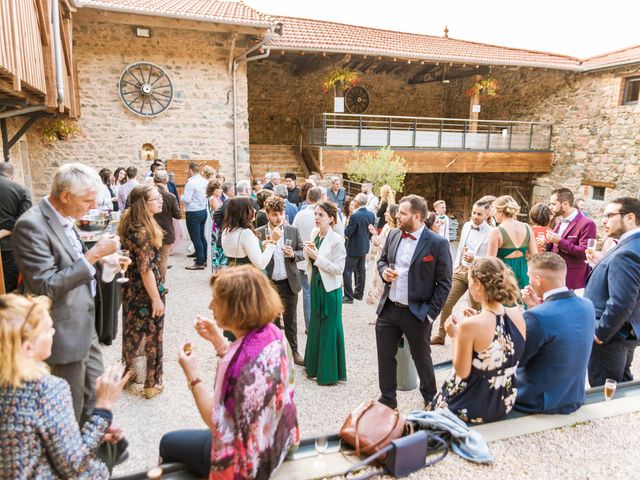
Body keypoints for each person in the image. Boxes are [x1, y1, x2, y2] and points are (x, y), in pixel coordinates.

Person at [159, 266, 299, 478]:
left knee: (167, 442)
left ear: (235, 308)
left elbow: (217, 422)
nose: (210, 306)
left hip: (249, 463)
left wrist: (193, 376)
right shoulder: (275, 334)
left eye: (216, 300)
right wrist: (219, 341)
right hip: (279, 440)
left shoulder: (235, 365)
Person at [12, 163, 119, 422]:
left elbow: (72, 261)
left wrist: (102, 262)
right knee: (68, 409)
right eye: (87, 200)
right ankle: (70, 458)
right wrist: (93, 256)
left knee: (95, 398)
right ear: (65, 196)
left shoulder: (66, 218)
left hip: (85, 325)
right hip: (61, 332)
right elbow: (45, 286)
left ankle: (94, 456)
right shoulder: (31, 225)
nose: (92, 207)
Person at [0, 294, 129, 479]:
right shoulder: (46, 390)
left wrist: (97, 431)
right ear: (28, 348)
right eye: (47, 329)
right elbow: (74, 465)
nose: (53, 332)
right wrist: (103, 409)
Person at [376, 195, 452, 408]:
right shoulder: (392, 234)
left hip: (417, 312)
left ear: (417, 216)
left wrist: (430, 314)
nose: (397, 216)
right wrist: (384, 272)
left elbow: (444, 283)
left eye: (402, 213)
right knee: (385, 357)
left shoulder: (437, 243)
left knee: (422, 358)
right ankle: (388, 399)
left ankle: (430, 396)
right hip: (389, 308)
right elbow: (381, 260)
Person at [429, 257, 525, 423]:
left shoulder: (471, 326)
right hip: (503, 401)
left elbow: (462, 372)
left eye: (470, 281)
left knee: (431, 409)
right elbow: (503, 348)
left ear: (478, 284)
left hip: (473, 405)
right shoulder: (518, 314)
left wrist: (455, 336)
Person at [516, 253, 595, 414]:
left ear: (538, 279)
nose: (529, 281)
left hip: (537, 401)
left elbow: (519, 359)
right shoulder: (587, 305)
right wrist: (535, 306)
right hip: (574, 397)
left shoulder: (536, 316)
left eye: (530, 276)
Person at [585, 197, 640, 386]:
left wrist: (600, 333)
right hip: (627, 331)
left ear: (630, 218)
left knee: (604, 391)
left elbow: (622, 301)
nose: (603, 220)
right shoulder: (633, 245)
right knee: (621, 384)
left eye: (610, 215)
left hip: (611, 338)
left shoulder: (626, 252)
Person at [119, 185, 166, 399]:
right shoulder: (143, 231)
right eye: (155, 198)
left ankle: (128, 374)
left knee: (132, 332)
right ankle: (151, 383)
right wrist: (156, 298)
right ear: (143, 204)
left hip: (131, 287)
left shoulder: (130, 222)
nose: (160, 201)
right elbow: (146, 269)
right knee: (152, 334)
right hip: (145, 290)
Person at [432, 201, 492, 345]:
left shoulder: (491, 232)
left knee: (473, 308)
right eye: (474, 213)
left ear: (487, 214)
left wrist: (475, 259)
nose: (475, 216)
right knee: (446, 302)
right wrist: (456, 266)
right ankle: (441, 335)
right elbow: (460, 247)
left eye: (479, 214)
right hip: (461, 270)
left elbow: (491, 258)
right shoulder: (466, 226)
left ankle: (472, 340)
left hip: (477, 274)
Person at [257, 196, 305, 365]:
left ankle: (294, 351)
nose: (279, 218)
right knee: (272, 321)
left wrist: (293, 254)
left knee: (291, 320)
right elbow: (257, 260)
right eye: (275, 214)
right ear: (268, 214)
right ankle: (276, 354)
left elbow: (302, 252)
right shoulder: (260, 232)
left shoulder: (292, 230)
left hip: (288, 281)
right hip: (270, 284)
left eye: (281, 213)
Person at [303, 201, 347, 385]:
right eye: (316, 214)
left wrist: (317, 257)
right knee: (316, 325)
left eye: (321, 214)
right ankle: (312, 367)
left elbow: (339, 269)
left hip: (330, 290)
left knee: (330, 328)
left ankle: (329, 374)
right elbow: (311, 260)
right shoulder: (314, 234)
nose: (317, 217)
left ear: (331, 218)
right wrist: (308, 252)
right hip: (315, 284)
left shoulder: (337, 240)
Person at [541, 188, 597, 289]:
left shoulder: (587, 223)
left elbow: (585, 252)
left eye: (553, 204)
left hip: (572, 278)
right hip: (555, 274)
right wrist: (547, 244)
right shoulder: (559, 221)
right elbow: (555, 246)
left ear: (565, 204)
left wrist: (559, 241)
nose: (550, 207)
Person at [486, 195, 537, 289]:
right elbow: (535, 256)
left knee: (505, 302)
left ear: (500, 212)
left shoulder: (496, 232)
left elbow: (490, 263)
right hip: (524, 273)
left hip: (504, 276)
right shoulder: (527, 228)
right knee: (523, 301)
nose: (493, 214)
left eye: (494, 211)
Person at [292, 187, 324, 329]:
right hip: (320, 257)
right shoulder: (324, 213)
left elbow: (293, 234)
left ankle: (310, 325)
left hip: (304, 258)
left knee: (307, 291)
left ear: (308, 198)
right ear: (321, 198)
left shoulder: (300, 215)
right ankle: (319, 323)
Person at [0, 162, 32, 292]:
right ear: (12, 177)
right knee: (9, 288)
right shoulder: (22, 190)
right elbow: (26, 219)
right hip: (9, 246)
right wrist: (4, 232)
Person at [221, 196, 278, 269]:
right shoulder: (246, 233)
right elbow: (261, 264)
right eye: (251, 207)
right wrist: (273, 242)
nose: (254, 210)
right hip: (246, 275)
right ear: (244, 212)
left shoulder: (226, 230)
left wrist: (260, 246)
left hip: (231, 273)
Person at [343, 193, 376, 304]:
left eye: (355, 200)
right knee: (361, 270)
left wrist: (347, 225)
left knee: (347, 271)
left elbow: (348, 232)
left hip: (353, 248)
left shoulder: (355, 216)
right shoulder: (371, 214)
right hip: (364, 246)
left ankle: (348, 296)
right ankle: (359, 294)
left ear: (357, 202)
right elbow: (371, 231)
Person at [366, 204, 399, 306]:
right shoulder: (385, 226)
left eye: (387, 211)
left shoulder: (395, 230)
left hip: (386, 263)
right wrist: (375, 234)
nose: (385, 213)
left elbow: (390, 250)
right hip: (378, 260)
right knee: (376, 286)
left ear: (393, 214)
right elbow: (380, 240)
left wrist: (378, 244)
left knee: (382, 289)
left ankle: (380, 317)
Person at [154, 171, 182, 283]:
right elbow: (178, 215)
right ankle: (161, 282)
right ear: (166, 181)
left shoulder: (146, 193)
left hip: (150, 229)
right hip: (165, 230)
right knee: (164, 257)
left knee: (151, 257)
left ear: (154, 180)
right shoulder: (170, 196)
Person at [182, 163, 209, 271]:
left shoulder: (191, 183)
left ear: (190, 170)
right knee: (201, 236)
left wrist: (181, 197)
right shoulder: (205, 181)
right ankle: (204, 258)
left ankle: (199, 262)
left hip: (193, 212)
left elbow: (187, 199)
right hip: (203, 210)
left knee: (195, 238)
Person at [206, 180, 227, 273]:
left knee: (220, 247)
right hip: (217, 225)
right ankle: (217, 270)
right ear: (213, 189)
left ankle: (219, 269)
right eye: (219, 188)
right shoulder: (213, 199)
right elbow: (219, 212)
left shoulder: (217, 198)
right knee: (217, 247)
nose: (221, 190)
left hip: (219, 224)